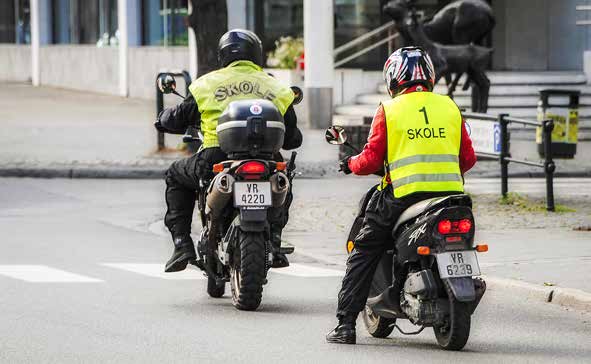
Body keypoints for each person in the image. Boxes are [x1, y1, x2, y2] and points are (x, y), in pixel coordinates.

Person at [326, 46, 476, 344]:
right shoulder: (449, 106)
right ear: (430, 76)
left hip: (403, 196)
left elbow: (369, 160)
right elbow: (468, 159)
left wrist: (349, 163)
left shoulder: (389, 110)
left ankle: (345, 325)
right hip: (451, 197)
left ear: (393, 78)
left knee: (365, 248)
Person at [155, 29, 302, 273]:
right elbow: (292, 139)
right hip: (267, 159)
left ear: (222, 55)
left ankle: (182, 244)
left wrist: (163, 118)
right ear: (256, 54)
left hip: (216, 156)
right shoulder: (276, 87)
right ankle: (274, 239)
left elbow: (177, 118)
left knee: (175, 175)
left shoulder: (206, 84)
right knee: (284, 180)